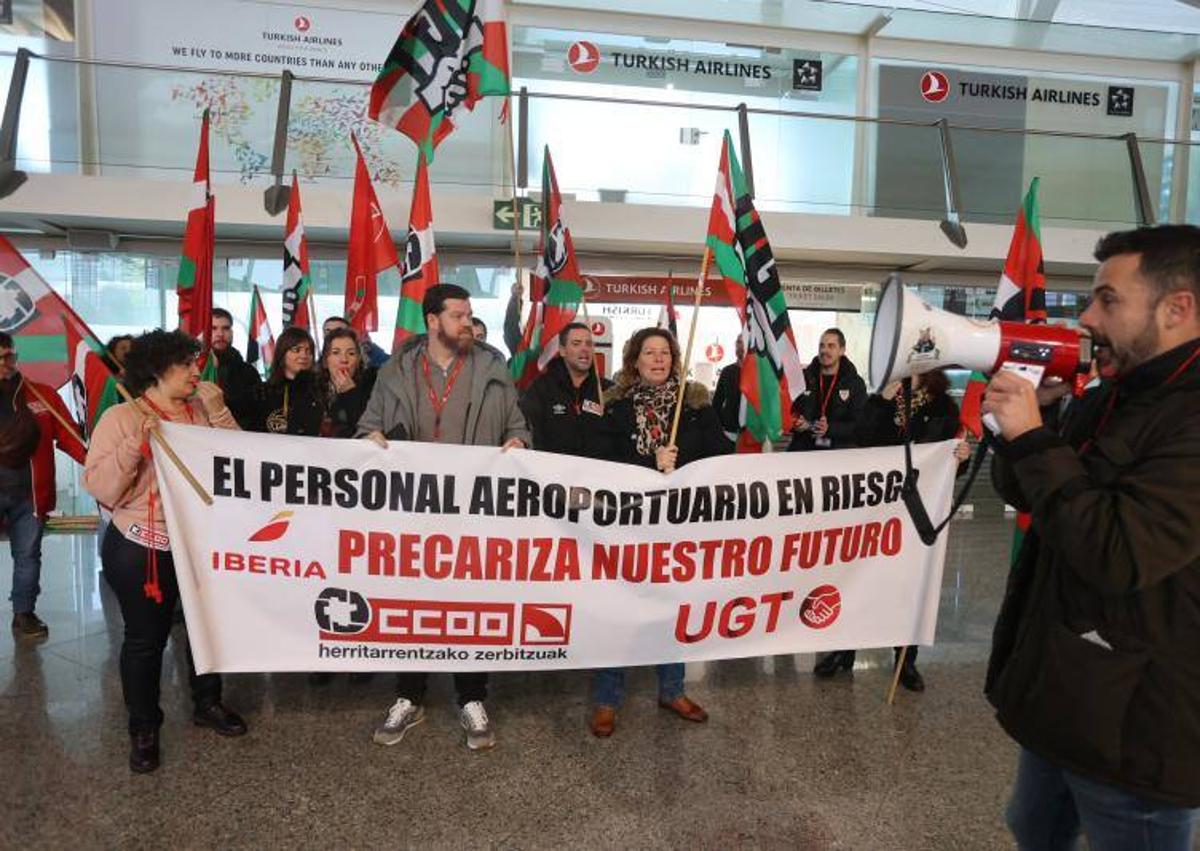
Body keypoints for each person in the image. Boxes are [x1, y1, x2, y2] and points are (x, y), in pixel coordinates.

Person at [983, 225, 1200, 850]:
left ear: (1176, 308)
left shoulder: (1188, 418)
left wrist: (1033, 441)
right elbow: (1029, 494)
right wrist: (1035, 425)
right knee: (1033, 828)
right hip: (1071, 695)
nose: (1086, 317)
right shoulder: (1114, 396)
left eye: (1108, 300)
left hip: (1139, 724)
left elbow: (1118, 553)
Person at [358, 283, 530, 751]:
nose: (468, 325)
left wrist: (517, 445)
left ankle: (472, 697)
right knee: (413, 602)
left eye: (471, 316)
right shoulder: (395, 371)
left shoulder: (492, 369)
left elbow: (518, 428)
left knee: (470, 604)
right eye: (458, 316)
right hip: (412, 513)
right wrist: (371, 440)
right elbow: (366, 426)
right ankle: (408, 695)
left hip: (474, 514)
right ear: (432, 321)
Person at [83, 330, 248, 773]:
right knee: (144, 640)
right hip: (141, 546)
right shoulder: (121, 416)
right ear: (157, 370)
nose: (198, 371)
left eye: (197, 363)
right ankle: (144, 726)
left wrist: (219, 410)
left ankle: (207, 702)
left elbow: (243, 466)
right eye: (187, 364)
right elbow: (100, 489)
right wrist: (133, 446)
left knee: (205, 630)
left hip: (201, 542)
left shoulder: (202, 411)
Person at [588, 327, 727, 737]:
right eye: (649, 352)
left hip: (677, 526)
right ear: (635, 360)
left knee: (671, 609)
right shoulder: (613, 407)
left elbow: (721, 455)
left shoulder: (697, 404)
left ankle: (672, 689)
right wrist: (649, 460)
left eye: (664, 352)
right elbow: (599, 459)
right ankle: (607, 699)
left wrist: (682, 464)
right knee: (619, 610)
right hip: (626, 526)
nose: (658, 359)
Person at [812, 369, 970, 689]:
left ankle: (904, 660)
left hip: (914, 512)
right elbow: (864, 437)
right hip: (876, 509)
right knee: (859, 577)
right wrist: (882, 402)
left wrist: (961, 458)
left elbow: (947, 461)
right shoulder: (886, 397)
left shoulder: (942, 407)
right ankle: (845, 651)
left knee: (907, 586)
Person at [0, 332, 87, 638]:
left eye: (9, 356)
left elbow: (72, 440)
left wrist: (103, 463)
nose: (5, 364)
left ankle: (24, 614)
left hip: (31, 497)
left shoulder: (43, 396)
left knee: (28, 555)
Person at [519, 322, 611, 455]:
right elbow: (528, 431)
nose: (584, 349)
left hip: (598, 473)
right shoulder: (541, 389)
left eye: (589, 344)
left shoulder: (607, 390)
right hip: (552, 472)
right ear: (562, 350)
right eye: (576, 343)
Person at [788, 327, 867, 452]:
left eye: (831, 346)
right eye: (822, 346)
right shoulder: (803, 377)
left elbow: (860, 424)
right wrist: (797, 422)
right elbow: (789, 409)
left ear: (842, 350)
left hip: (839, 451)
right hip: (804, 447)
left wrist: (830, 429)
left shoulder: (855, 383)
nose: (824, 350)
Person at [247, 327, 322, 436]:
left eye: (309, 351)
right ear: (282, 353)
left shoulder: (320, 390)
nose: (304, 355)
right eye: (297, 350)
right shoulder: (262, 392)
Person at [319, 327, 377, 439]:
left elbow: (367, 428)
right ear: (326, 360)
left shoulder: (372, 387)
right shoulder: (314, 388)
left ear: (358, 359)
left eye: (351, 353)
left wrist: (350, 393)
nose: (344, 360)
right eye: (336, 353)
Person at [209, 307, 262, 428]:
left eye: (226, 328)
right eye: (213, 328)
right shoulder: (193, 370)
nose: (220, 334)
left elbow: (257, 413)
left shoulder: (249, 372)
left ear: (232, 332)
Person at [710, 335, 744, 443]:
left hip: (754, 433)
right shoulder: (727, 371)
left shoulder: (760, 373)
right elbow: (717, 402)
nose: (740, 346)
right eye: (738, 342)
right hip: (729, 433)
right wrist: (719, 427)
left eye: (743, 342)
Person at [323, 315, 389, 369]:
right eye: (328, 331)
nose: (332, 335)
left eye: (338, 331)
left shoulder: (370, 354)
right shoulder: (317, 365)